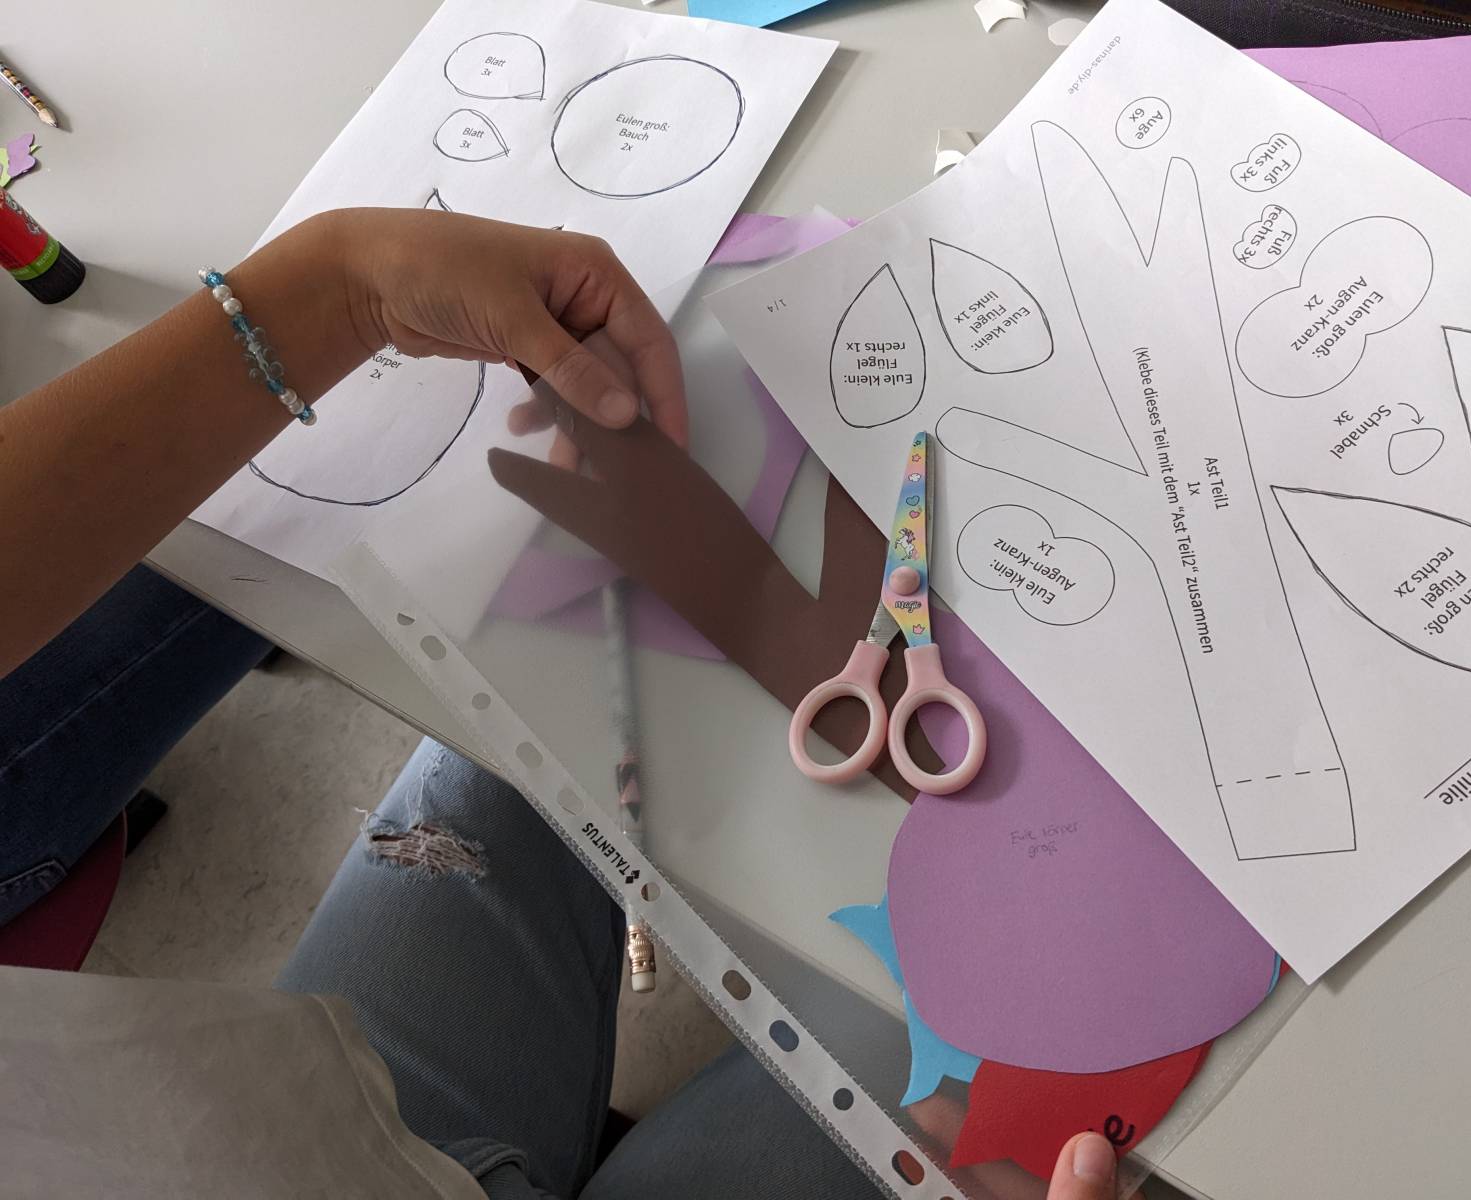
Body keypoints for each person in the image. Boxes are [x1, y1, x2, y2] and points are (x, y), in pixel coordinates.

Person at [0, 210, 1135, 1200]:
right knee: (1017, 1023)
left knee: (518, 734)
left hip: (290, 1123)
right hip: (266, 1140)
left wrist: (342, 282)